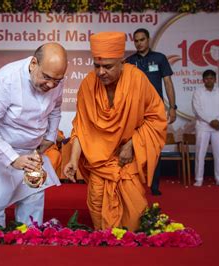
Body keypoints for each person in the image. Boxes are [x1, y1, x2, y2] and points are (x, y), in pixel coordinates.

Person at [63, 32, 167, 231]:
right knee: (98, 213)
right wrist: (73, 160)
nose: (101, 72)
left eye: (108, 66)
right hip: (99, 161)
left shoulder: (138, 80)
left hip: (126, 159)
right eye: (97, 65)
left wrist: (132, 144)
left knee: (133, 218)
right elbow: (81, 128)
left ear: (122, 62)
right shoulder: (88, 84)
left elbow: (156, 118)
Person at [0, 43, 67, 231]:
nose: (51, 85)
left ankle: (30, 238)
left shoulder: (56, 78)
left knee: (33, 192)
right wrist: (13, 158)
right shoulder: (7, 79)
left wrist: (49, 137)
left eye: (56, 81)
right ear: (34, 63)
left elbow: (55, 107)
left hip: (29, 147)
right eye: (46, 77)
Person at [126, 28, 177, 196]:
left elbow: (168, 83)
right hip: (135, 110)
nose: (139, 43)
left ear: (148, 40)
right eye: (136, 40)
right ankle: (135, 184)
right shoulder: (128, 61)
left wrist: (173, 108)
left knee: (155, 148)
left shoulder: (159, 58)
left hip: (155, 110)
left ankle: (154, 185)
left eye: (142, 39)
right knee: (134, 146)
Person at [191, 70, 219, 187]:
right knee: (200, 153)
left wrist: (217, 120)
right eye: (206, 78)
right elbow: (197, 109)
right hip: (203, 126)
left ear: (215, 79)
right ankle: (199, 179)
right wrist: (210, 121)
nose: (209, 80)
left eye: (211, 78)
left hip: (218, 126)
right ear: (203, 80)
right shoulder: (198, 92)